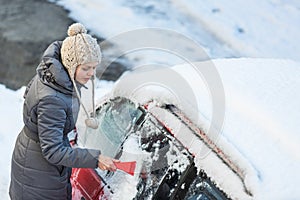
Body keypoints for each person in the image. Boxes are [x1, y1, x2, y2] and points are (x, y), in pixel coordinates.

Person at [9, 23, 119, 200]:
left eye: (94, 67)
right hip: (39, 174)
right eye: (85, 68)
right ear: (70, 64)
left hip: (34, 159)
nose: (91, 73)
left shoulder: (53, 76)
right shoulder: (52, 99)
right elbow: (53, 150)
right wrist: (95, 159)